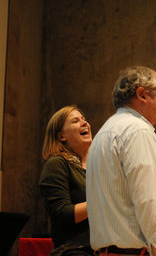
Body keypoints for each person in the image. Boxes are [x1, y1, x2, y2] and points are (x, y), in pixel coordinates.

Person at [86, 66, 156, 256]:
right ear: (142, 94)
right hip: (136, 251)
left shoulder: (105, 132)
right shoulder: (137, 131)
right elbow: (149, 199)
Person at [39, 105, 93, 255]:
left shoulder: (97, 166)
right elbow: (62, 214)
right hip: (73, 250)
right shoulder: (57, 163)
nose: (84, 123)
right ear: (61, 136)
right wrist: (101, 202)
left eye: (84, 119)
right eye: (75, 121)